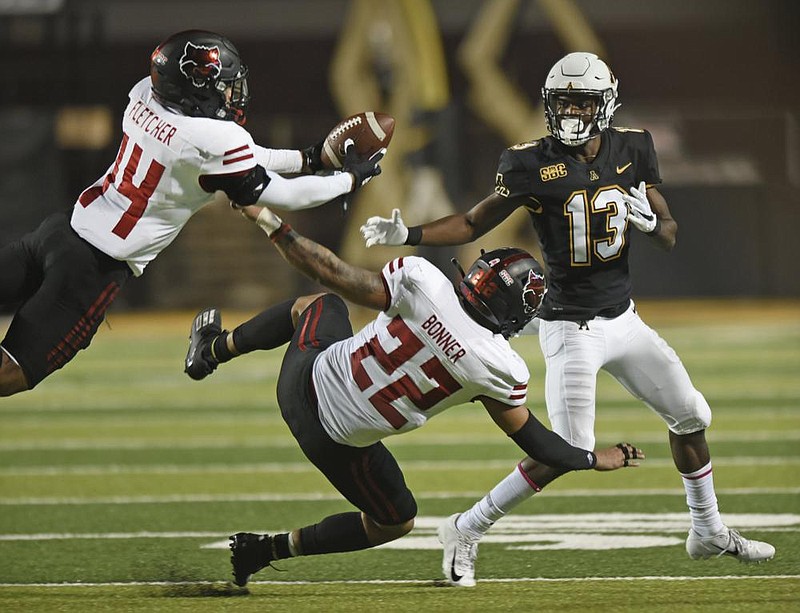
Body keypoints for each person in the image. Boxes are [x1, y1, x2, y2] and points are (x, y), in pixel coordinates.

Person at [359, 51, 775, 586]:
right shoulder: (531, 162)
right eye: (562, 103)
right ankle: (466, 526)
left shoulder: (633, 148)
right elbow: (471, 221)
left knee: (691, 414)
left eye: (582, 102)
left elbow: (670, 232)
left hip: (624, 319)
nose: (571, 113)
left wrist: (652, 223)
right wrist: (409, 234)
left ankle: (708, 529)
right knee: (566, 452)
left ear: (606, 104)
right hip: (569, 326)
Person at [183, 204, 644, 586]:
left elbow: (329, 270)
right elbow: (538, 444)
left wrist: (271, 222)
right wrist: (592, 459)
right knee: (394, 520)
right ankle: (267, 549)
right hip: (337, 444)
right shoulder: (499, 368)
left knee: (318, 305)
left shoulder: (422, 279)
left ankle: (214, 350)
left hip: (301, 383)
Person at [0, 29, 381, 397]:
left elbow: (244, 158)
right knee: (13, 371)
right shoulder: (208, 142)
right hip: (92, 267)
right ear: (197, 87)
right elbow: (285, 195)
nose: (232, 94)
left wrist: (308, 158)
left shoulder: (144, 95)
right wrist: (348, 180)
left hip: (59, 231)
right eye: (223, 85)